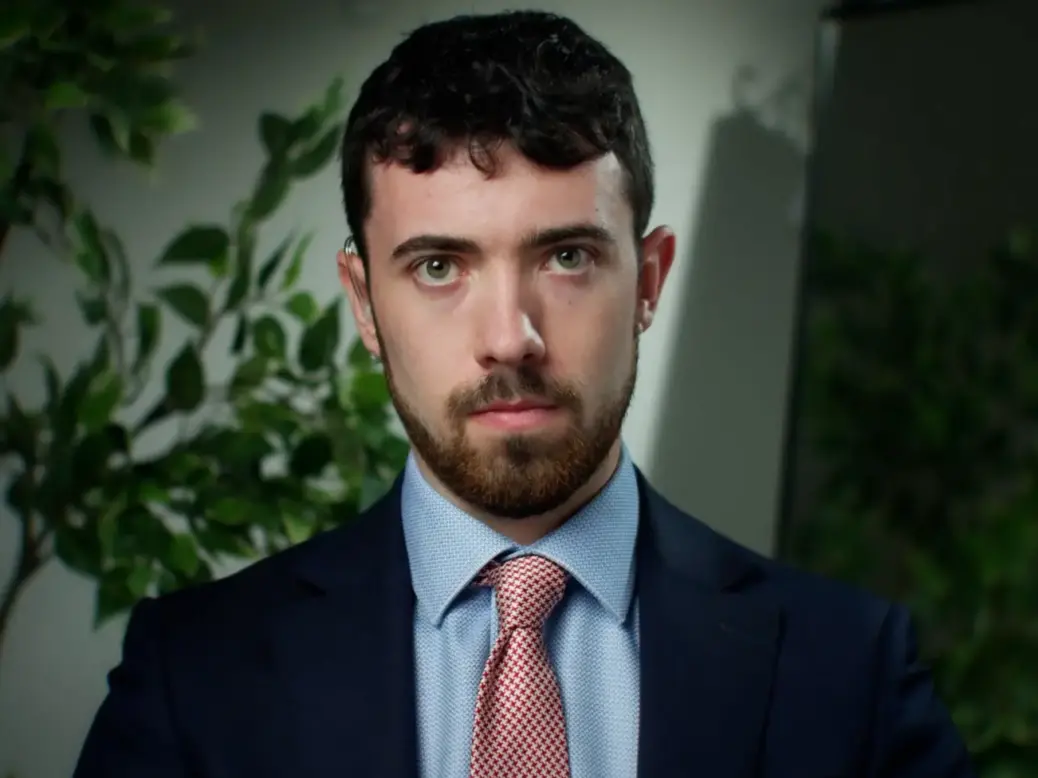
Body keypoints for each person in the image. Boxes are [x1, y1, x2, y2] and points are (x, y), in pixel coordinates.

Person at [74, 10, 975, 778]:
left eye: (567, 257)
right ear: (363, 303)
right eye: (437, 266)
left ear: (651, 279)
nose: (511, 337)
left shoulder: (852, 676)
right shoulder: (191, 678)